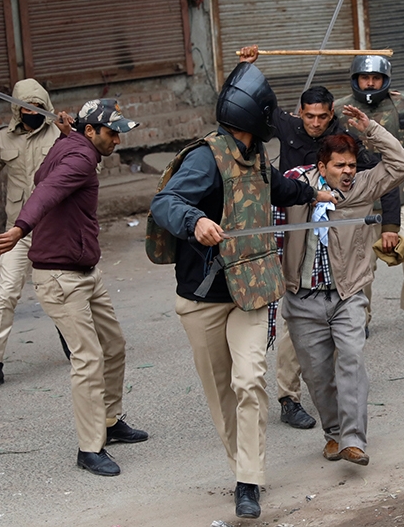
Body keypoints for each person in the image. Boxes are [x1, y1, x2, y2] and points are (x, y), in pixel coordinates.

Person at [148, 62, 332, 519]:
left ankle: (248, 481)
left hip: (250, 292)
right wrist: (195, 220)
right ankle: (240, 466)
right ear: (258, 116)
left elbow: (275, 188)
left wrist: (313, 194)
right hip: (203, 299)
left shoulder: (255, 156)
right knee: (222, 394)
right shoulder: (205, 158)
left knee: (249, 381)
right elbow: (165, 202)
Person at [237, 45, 400, 427]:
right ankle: (289, 397)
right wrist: (245, 68)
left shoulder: (345, 143)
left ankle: (341, 394)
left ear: (331, 115)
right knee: (296, 329)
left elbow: (385, 180)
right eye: (308, 116)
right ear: (300, 113)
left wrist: (390, 228)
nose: (314, 123)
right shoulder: (287, 127)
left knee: (352, 317)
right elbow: (251, 106)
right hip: (299, 239)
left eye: (322, 116)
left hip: (345, 240)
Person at [0, 99, 148, 477]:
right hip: (61, 277)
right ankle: (90, 448)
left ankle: (109, 421)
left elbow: (41, 175)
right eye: (111, 133)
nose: (117, 141)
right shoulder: (79, 157)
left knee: (113, 345)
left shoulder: (69, 145)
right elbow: (46, 190)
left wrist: (67, 136)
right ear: (90, 131)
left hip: (85, 271)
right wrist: (20, 228)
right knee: (88, 359)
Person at [280, 111, 404, 467]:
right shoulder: (298, 186)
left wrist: (371, 130)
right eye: (340, 165)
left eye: (352, 165)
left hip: (348, 295)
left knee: (351, 360)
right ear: (322, 167)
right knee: (318, 376)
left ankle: (353, 440)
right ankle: (335, 434)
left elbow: (401, 164)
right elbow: (269, 192)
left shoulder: (363, 187)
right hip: (302, 298)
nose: (348, 171)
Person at [0, 79, 73, 389]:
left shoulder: (61, 133)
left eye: (37, 107)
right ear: (16, 110)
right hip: (18, 232)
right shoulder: (2, 140)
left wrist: (71, 137)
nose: (31, 113)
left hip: (54, 229)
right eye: (25, 108)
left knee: (59, 292)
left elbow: (88, 169)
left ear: (45, 106)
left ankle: (73, 342)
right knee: (5, 295)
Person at [334, 55, 404, 339]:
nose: (370, 83)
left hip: (402, 191)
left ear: (386, 80)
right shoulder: (338, 110)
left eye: (376, 78)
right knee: (362, 262)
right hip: (359, 197)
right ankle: (361, 316)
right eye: (365, 77)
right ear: (356, 79)